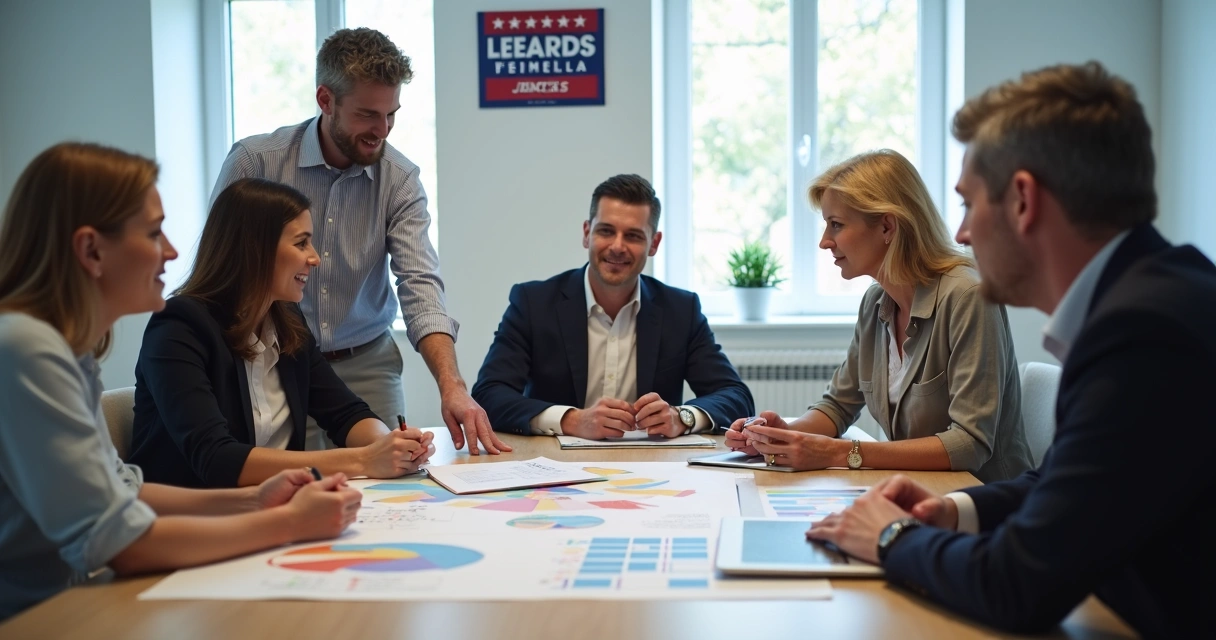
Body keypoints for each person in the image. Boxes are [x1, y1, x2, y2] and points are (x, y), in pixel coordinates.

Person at [805, 62, 1216, 637]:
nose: (964, 232)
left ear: (1023, 201)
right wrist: (955, 510)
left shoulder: (1145, 333)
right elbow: (1062, 480)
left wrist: (892, 536)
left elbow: (1017, 585)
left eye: (970, 203)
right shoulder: (1149, 300)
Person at [0, 143, 362, 621]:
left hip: (70, 601)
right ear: (90, 249)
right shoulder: (27, 348)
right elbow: (122, 542)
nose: (170, 251)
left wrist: (255, 499)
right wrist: (287, 523)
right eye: (153, 233)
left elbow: (122, 488)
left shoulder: (67, 349)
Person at [211, 27, 510, 456]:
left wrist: (452, 385)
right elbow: (221, 269)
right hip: (267, 359)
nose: (382, 130)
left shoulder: (400, 179)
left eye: (392, 114)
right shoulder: (256, 162)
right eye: (368, 114)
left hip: (366, 363)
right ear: (325, 100)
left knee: (394, 485)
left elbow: (420, 285)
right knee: (276, 486)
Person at [724, 150, 1032, 482]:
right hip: (919, 495)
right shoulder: (875, 303)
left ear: (887, 226)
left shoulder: (968, 296)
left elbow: (969, 443)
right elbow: (837, 407)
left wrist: (839, 453)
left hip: (986, 509)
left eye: (836, 225)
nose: (824, 242)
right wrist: (783, 436)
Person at [128, 178, 435, 488]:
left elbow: (345, 412)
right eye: (301, 243)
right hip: (194, 520)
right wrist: (365, 459)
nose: (314, 258)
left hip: (274, 510)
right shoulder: (179, 326)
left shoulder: (286, 319)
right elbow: (216, 458)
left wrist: (390, 446)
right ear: (255, 248)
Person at [471, 174, 754, 439]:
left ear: (654, 243)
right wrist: (570, 420)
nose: (617, 247)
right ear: (587, 233)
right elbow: (489, 394)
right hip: (555, 468)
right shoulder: (533, 303)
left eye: (633, 236)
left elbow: (735, 396)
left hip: (653, 470)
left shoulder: (681, 310)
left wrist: (683, 417)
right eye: (606, 231)